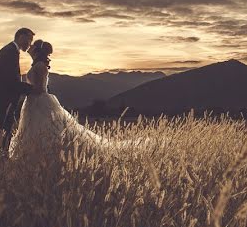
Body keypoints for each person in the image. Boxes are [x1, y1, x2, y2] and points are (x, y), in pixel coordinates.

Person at [8, 39, 149, 165]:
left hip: (40, 101)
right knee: (34, 129)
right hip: (33, 103)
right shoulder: (37, 65)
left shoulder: (40, 67)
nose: (29, 48)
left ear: (37, 51)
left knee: (46, 130)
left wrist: (23, 89)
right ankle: (32, 158)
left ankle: (47, 157)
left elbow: (39, 89)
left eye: (32, 47)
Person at [0, 28, 35, 154]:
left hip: (3, 101)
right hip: (0, 102)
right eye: (29, 40)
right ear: (21, 37)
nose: (29, 44)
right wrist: (33, 89)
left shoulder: (11, 51)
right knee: (1, 137)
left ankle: (0, 164)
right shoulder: (9, 52)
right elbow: (10, 81)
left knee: (3, 136)